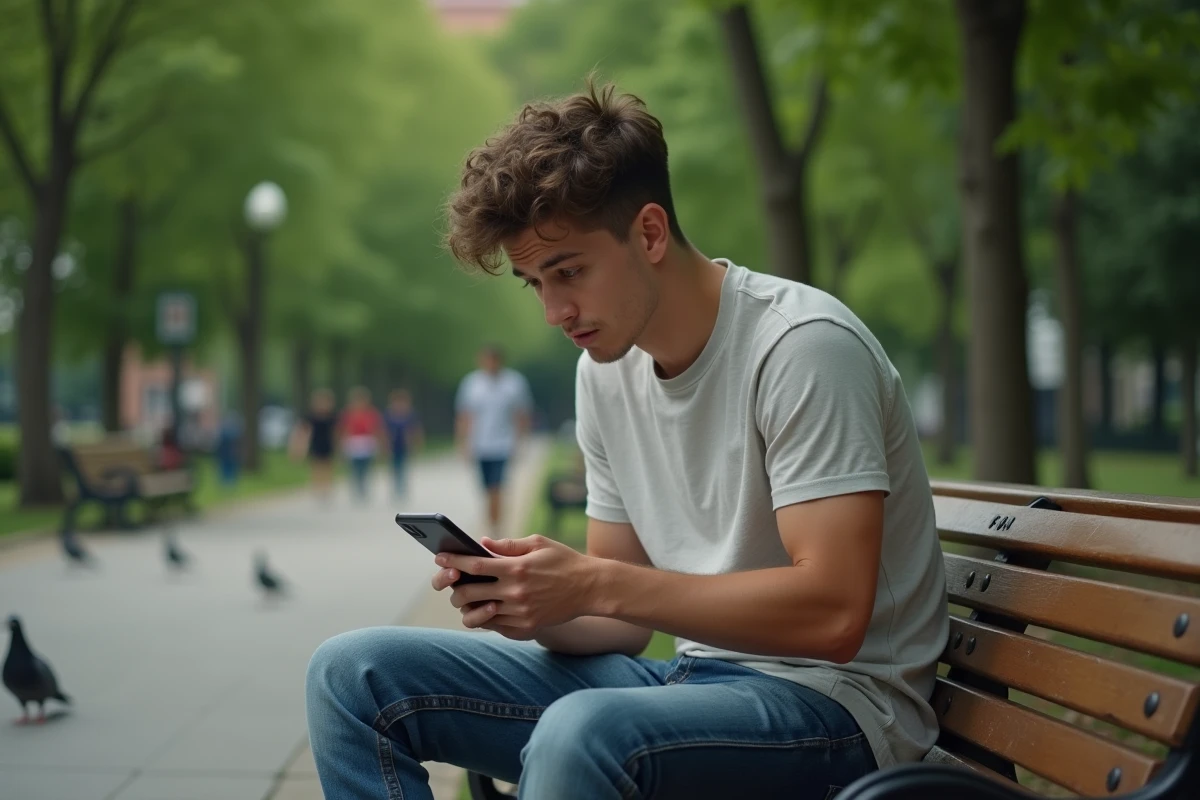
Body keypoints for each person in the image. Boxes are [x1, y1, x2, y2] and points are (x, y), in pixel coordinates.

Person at [306, 83, 947, 800]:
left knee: (582, 731)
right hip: (689, 682)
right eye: (533, 285)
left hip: (841, 713)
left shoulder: (801, 349)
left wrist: (595, 583)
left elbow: (834, 615)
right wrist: (535, 604)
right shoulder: (604, 375)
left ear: (649, 233)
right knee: (353, 674)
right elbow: (621, 621)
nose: (554, 311)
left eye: (569, 272)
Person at [454, 345, 532, 537]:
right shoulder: (471, 383)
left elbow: (521, 414)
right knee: (486, 488)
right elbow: (465, 415)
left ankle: (495, 527)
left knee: (497, 487)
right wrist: (463, 443)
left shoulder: (514, 383)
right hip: (480, 444)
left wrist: (520, 441)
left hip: (503, 444)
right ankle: (492, 520)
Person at [337, 386, 387, 502]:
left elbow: (377, 429)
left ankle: (364, 489)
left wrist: (381, 445)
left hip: (367, 443)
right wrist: (341, 446)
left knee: (366, 468)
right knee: (354, 469)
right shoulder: (348, 414)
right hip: (353, 444)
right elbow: (344, 430)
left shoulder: (371, 413)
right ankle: (357, 489)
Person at [290, 389, 338, 503]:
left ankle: (326, 488)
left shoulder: (332, 417)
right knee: (316, 466)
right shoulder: (310, 417)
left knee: (327, 466)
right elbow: (303, 432)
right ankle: (317, 487)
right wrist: (299, 448)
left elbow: (337, 432)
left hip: (328, 444)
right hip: (315, 444)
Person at [383, 389, 423, 500]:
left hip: (405, 445)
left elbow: (416, 429)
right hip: (393, 445)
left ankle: (402, 488)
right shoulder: (389, 414)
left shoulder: (410, 414)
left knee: (404, 467)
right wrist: (384, 444)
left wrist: (417, 443)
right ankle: (396, 488)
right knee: (394, 468)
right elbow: (384, 430)